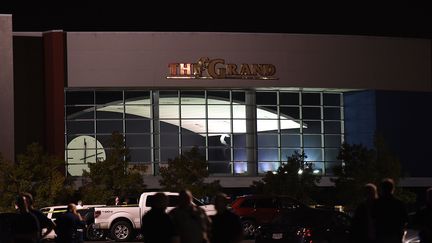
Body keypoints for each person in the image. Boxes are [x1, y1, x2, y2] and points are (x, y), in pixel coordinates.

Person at [371, 178, 408, 243]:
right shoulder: (398, 203)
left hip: (380, 234)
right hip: (394, 234)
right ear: (392, 189)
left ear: (382, 189)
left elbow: (372, 218)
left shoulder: (376, 203)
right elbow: (404, 219)